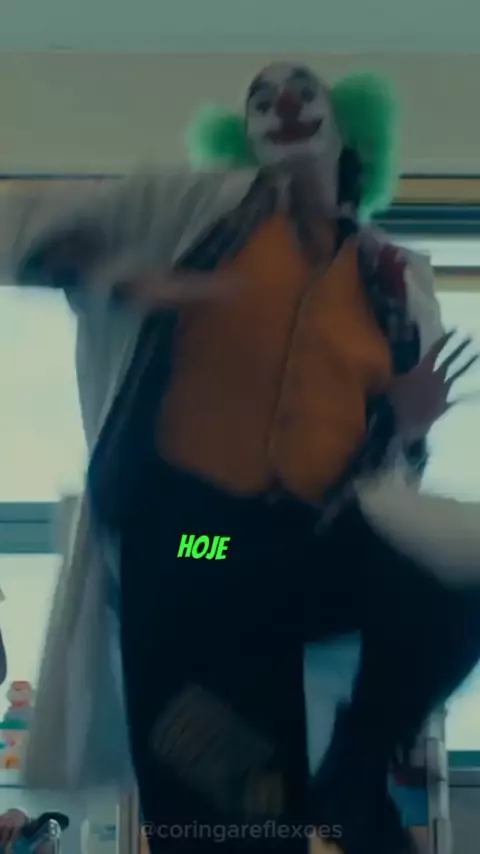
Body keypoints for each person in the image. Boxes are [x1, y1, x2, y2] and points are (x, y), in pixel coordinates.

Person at [2, 63, 480, 854]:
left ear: (348, 131)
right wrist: (116, 274)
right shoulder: (195, 218)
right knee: (230, 812)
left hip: (304, 546)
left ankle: (356, 769)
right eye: (262, 97)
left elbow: (382, 467)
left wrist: (403, 422)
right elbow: (25, 228)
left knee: (458, 569)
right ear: (243, 134)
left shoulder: (388, 279)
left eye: (302, 92)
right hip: (196, 543)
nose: (282, 103)